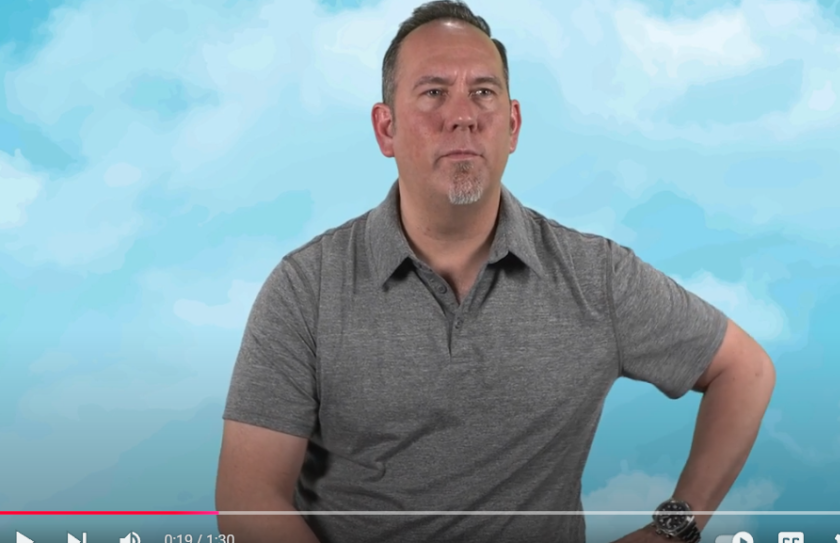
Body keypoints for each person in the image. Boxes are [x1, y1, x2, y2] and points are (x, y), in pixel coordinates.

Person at [214, 1, 776, 542]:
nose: (462, 116)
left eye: (482, 92)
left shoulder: (597, 277)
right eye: (434, 92)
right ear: (386, 129)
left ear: (512, 125)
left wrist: (673, 530)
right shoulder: (305, 289)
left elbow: (745, 370)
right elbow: (246, 503)